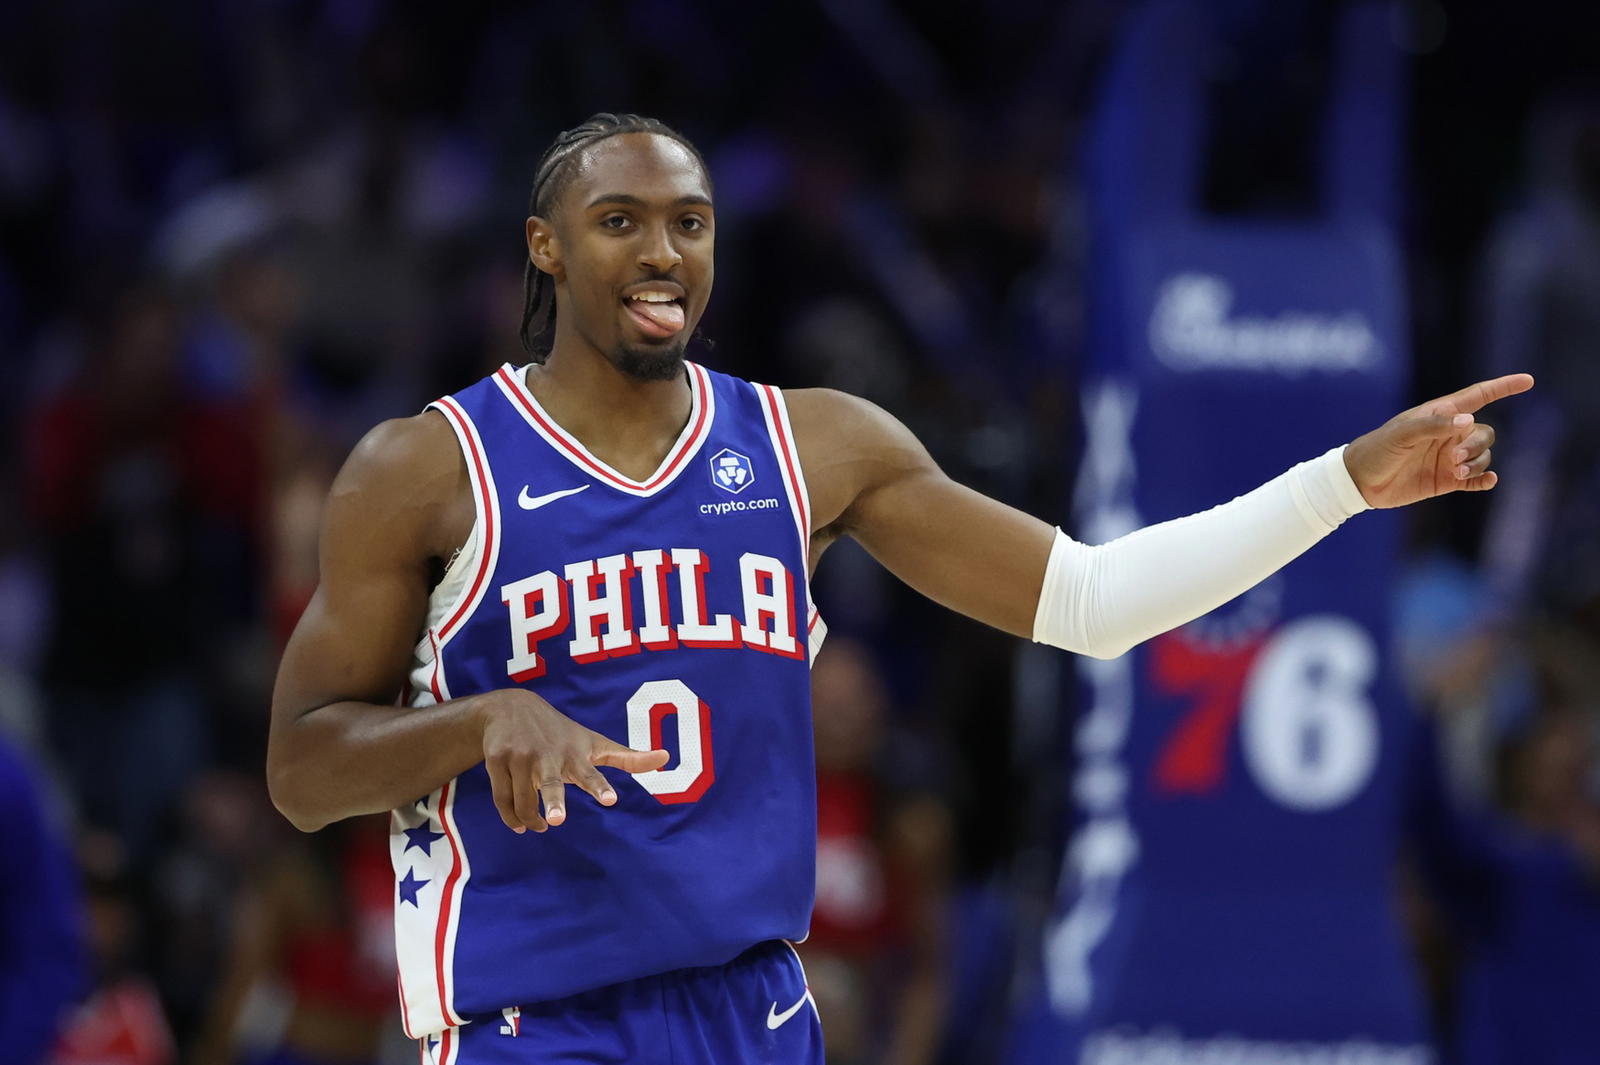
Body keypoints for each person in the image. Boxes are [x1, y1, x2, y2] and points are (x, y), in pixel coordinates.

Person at [266, 112, 1532, 1065]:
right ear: (544, 248)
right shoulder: (425, 469)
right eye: (620, 222)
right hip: (530, 1019)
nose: (662, 252)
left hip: (753, 1012)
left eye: (689, 221)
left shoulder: (814, 446)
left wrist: (1343, 484)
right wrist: (477, 721)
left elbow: (1095, 601)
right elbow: (305, 768)